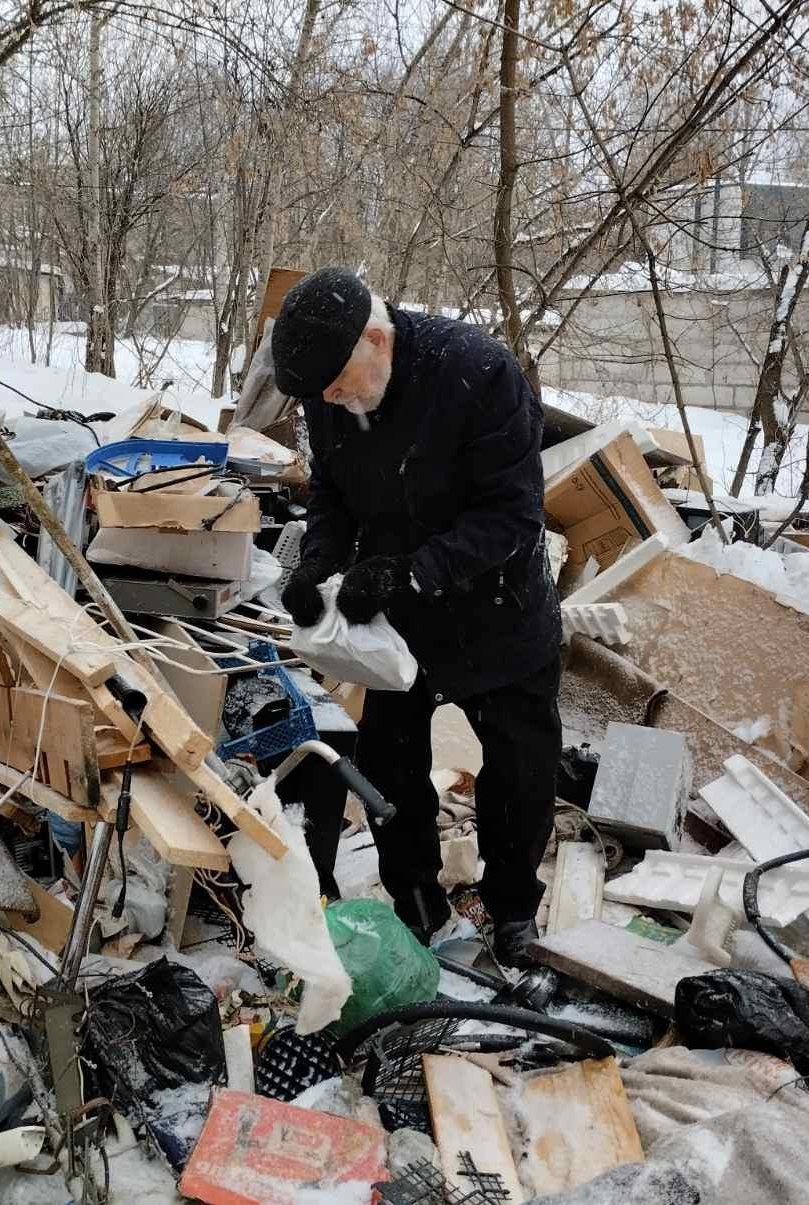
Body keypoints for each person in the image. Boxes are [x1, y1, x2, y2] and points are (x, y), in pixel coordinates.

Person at [270, 266, 562, 968]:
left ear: (377, 336)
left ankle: (514, 909)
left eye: (339, 386)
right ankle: (417, 906)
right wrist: (317, 563)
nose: (333, 402)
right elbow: (332, 497)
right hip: (400, 625)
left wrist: (409, 571)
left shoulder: (478, 374)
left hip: (499, 607)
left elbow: (512, 518)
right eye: (322, 397)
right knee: (391, 771)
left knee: (519, 772)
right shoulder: (329, 391)